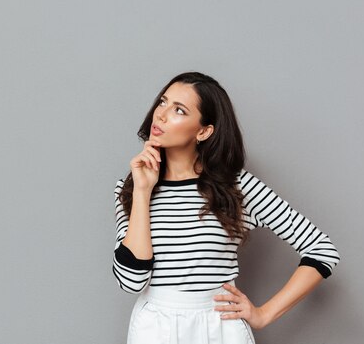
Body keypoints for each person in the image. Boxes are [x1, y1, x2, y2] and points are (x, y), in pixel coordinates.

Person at [112, 71, 340, 344]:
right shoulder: (130, 188)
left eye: (179, 110)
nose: (160, 115)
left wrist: (264, 314)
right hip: (154, 329)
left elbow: (321, 249)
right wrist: (142, 191)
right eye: (162, 102)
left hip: (219, 328)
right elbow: (130, 281)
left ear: (204, 131)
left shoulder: (236, 187)